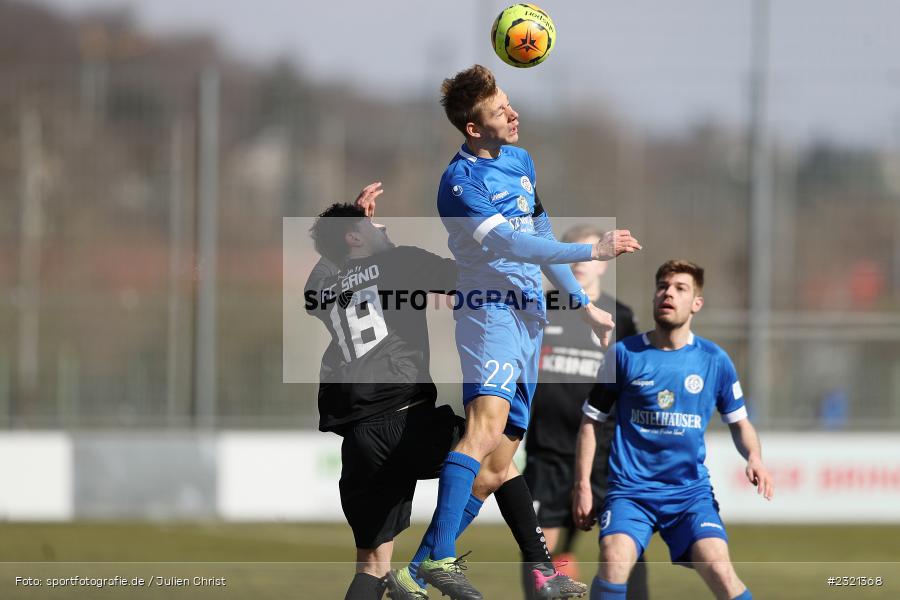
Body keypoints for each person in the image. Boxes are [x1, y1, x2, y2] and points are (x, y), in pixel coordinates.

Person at [391, 64, 641, 600]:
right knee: (483, 431)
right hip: (491, 314)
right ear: (472, 128)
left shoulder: (522, 162)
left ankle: (419, 568)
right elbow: (511, 246)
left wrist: (582, 306)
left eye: (510, 102)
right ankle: (442, 559)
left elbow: (541, 236)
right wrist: (591, 251)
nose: (513, 112)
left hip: (529, 318)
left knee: (501, 459)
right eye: (499, 109)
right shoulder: (459, 184)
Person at [305, 186, 589, 600]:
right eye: (373, 224)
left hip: (359, 438)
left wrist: (348, 233)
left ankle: (508, 573)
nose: (383, 226)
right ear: (354, 237)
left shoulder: (325, 285)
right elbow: (470, 280)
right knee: (492, 452)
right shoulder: (400, 261)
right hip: (404, 417)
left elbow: (324, 270)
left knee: (371, 565)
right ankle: (539, 573)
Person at [573, 260, 775, 600]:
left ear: (696, 303)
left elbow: (740, 422)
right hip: (630, 491)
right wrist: (582, 486)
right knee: (613, 558)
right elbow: (591, 420)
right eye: (663, 286)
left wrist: (754, 456)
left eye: (680, 288)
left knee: (721, 570)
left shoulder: (714, 360)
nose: (668, 293)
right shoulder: (623, 355)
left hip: (688, 495)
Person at [523, 224, 648, 600]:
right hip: (548, 450)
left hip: (605, 453)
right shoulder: (540, 305)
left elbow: (631, 382)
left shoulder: (621, 316)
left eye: (588, 255)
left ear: (604, 263)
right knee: (538, 545)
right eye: (572, 253)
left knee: (624, 540)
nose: (580, 264)